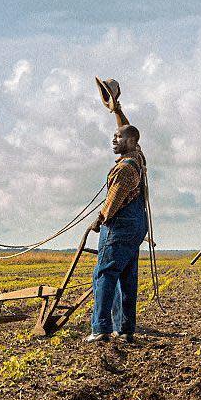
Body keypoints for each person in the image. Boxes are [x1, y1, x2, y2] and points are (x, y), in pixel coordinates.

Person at [86, 79, 148, 343]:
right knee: (127, 276)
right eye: (114, 136)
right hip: (136, 225)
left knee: (104, 273)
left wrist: (98, 220)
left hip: (119, 224)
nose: (114, 138)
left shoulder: (124, 168)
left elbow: (113, 201)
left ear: (131, 141)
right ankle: (126, 329)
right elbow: (127, 129)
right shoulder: (139, 158)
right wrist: (116, 109)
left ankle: (100, 328)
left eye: (119, 137)